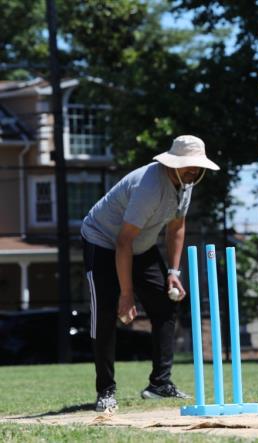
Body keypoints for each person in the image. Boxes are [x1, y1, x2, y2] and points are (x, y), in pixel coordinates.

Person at [81, 135, 219, 412]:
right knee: (106, 315)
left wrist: (172, 271)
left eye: (197, 167)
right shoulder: (150, 187)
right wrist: (127, 293)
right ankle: (106, 391)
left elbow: (177, 226)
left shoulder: (186, 183)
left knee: (165, 306)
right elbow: (123, 241)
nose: (193, 171)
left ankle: (159, 384)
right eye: (188, 166)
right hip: (104, 242)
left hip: (141, 245)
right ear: (173, 163)